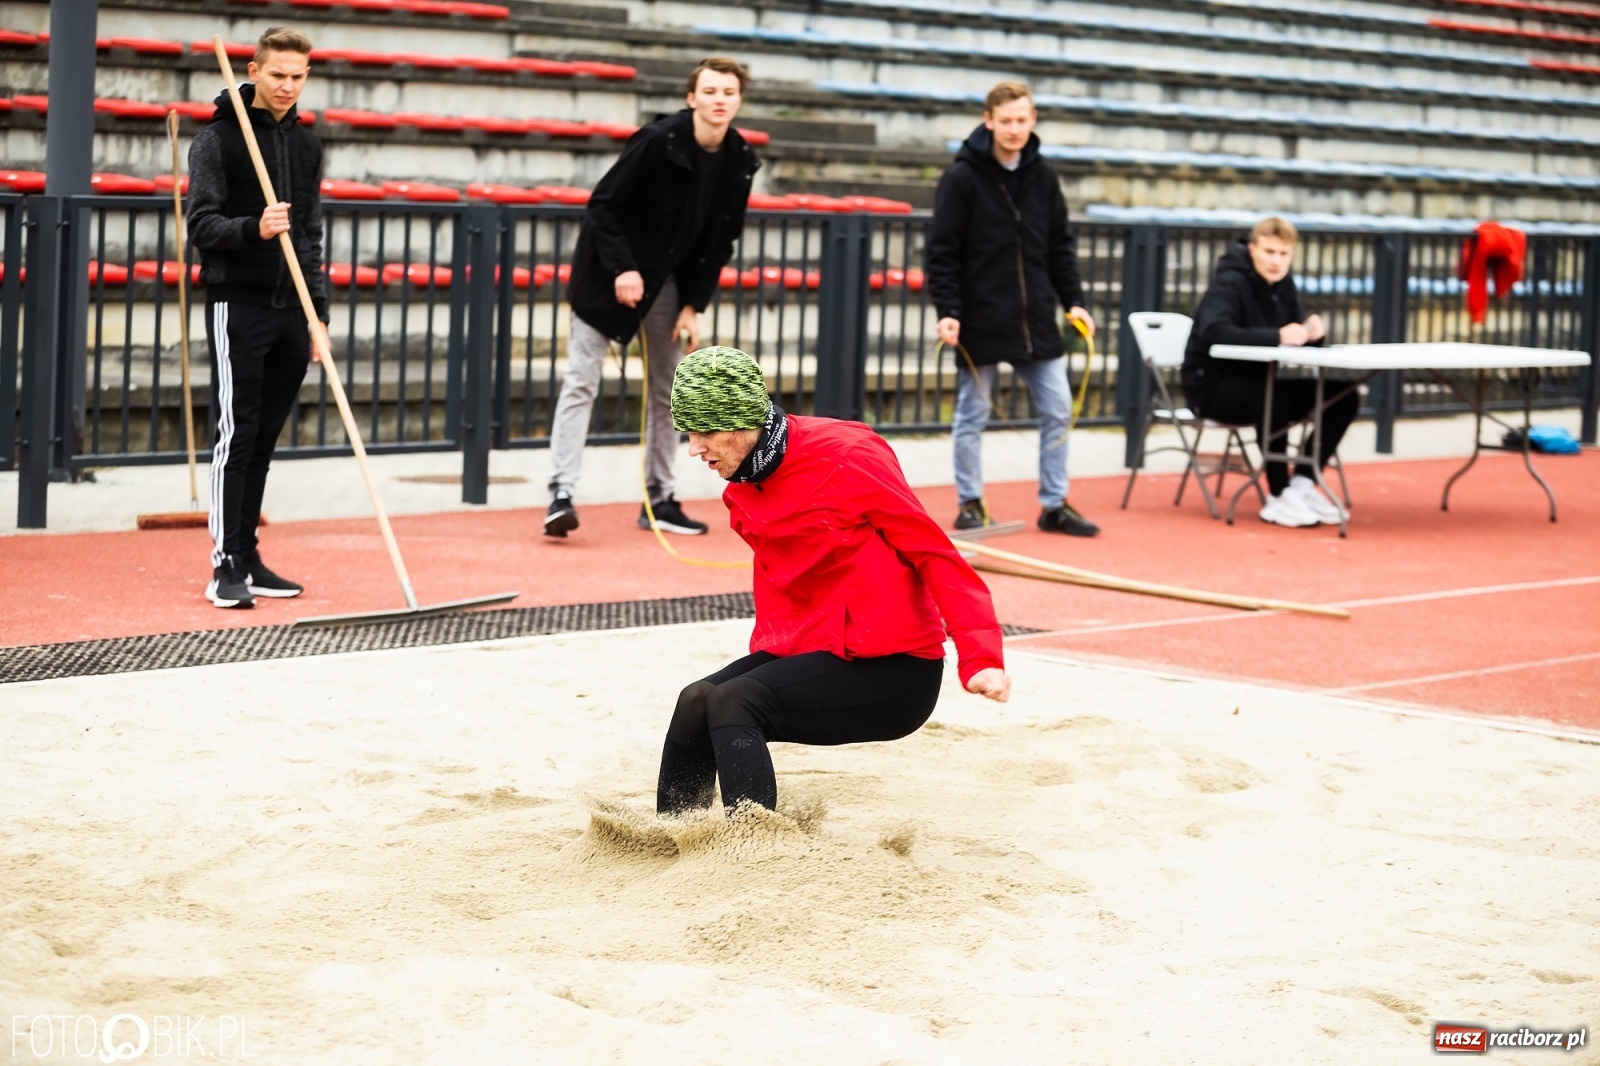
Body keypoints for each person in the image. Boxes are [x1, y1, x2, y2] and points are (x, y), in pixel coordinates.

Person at [656, 346, 1011, 815]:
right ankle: (676, 833)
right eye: (688, 432)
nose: (694, 448)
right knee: (697, 699)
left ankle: (752, 848)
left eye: (705, 432)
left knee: (735, 702)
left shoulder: (847, 455)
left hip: (894, 666)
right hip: (814, 649)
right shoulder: (743, 486)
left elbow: (935, 554)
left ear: (741, 421)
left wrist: (981, 657)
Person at [544, 58, 761, 539]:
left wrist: (693, 305)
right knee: (581, 381)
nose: (719, 100)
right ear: (692, 97)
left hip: (668, 282)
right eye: (710, 91)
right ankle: (560, 494)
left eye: (728, 92)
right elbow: (603, 205)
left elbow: (720, 240)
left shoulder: (739, 159)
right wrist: (623, 268)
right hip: (606, 276)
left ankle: (659, 499)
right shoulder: (658, 141)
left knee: (668, 391)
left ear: (738, 101)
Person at [188, 26, 331, 608]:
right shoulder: (217, 140)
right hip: (238, 305)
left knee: (265, 439)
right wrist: (255, 228)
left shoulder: (308, 147)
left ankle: (247, 556)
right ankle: (224, 565)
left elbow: (311, 234)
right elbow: (201, 225)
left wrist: (318, 315)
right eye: (278, 75)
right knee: (237, 435)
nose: (288, 86)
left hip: (291, 310)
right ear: (253, 71)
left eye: (298, 76)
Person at [925, 80, 1099, 538]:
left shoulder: (1045, 176)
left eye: (1022, 120)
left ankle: (1055, 504)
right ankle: (970, 504)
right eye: (1006, 121)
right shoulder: (961, 177)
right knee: (972, 415)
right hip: (980, 317)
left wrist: (1075, 302)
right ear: (989, 121)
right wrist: (949, 309)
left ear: (1033, 120)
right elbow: (942, 252)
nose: (1015, 129)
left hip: (1037, 319)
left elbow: (1060, 247)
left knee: (1059, 408)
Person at [1180, 216, 1358, 528]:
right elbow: (1215, 332)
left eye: (1283, 254)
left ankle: (1302, 484)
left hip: (1261, 382)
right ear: (1252, 249)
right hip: (1212, 389)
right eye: (1269, 252)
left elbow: (1292, 333)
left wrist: (1312, 334)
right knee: (1274, 398)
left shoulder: (1284, 285)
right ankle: (1278, 493)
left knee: (1344, 395)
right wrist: (1277, 335)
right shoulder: (1228, 283)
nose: (1276, 261)